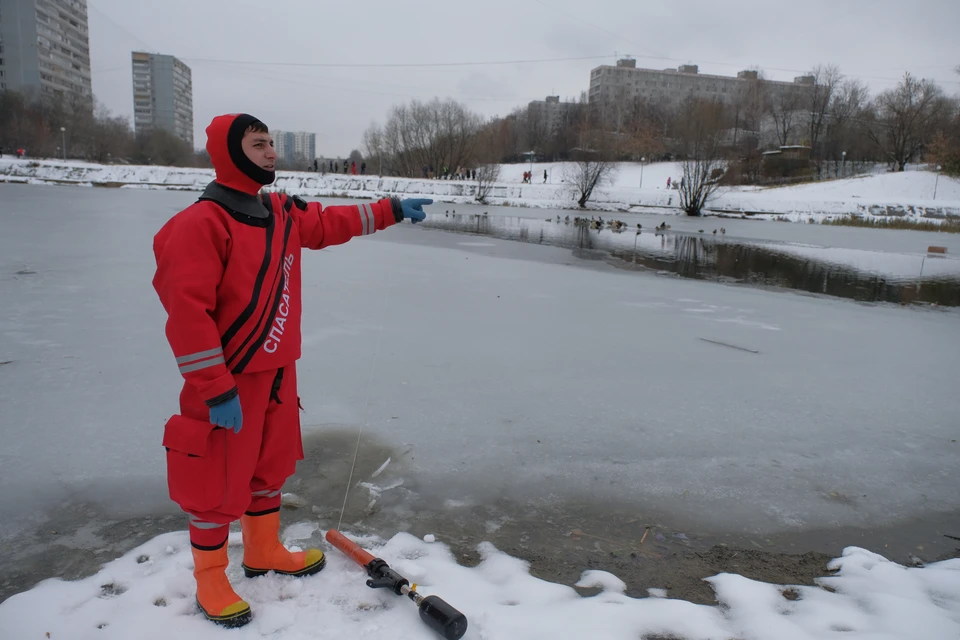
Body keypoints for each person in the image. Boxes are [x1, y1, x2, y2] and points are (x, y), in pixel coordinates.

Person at [152, 113, 431, 629]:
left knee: (269, 468)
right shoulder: (201, 224)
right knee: (215, 482)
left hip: (278, 372)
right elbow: (187, 316)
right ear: (230, 153)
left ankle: (263, 550)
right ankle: (210, 578)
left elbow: (328, 224)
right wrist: (214, 388)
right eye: (258, 144)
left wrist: (389, 209)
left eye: (271, 143)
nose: (270, 152)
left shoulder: (280, 212)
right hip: (228, 378)